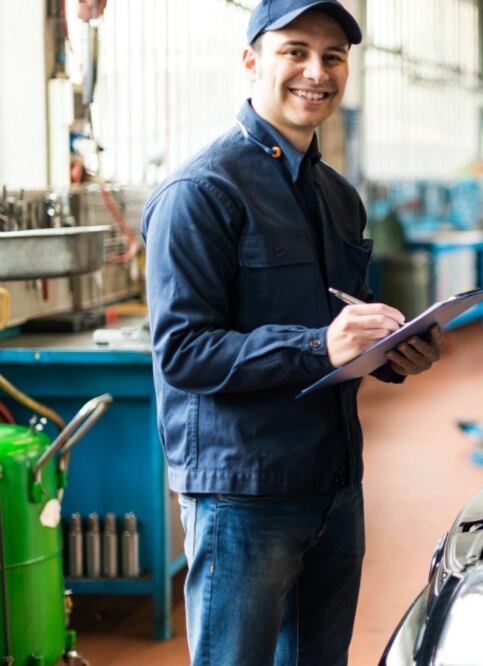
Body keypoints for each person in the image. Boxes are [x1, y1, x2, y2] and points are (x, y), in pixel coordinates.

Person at [140, 1, 444, 663]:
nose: (317, 71)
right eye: (295, 52)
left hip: (334, 483)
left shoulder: (337, 195)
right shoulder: (200, 193)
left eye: (333, 56)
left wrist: (396, 350)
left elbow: (349, 313)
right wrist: (316, 345)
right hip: (244, 493)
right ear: (251, 62)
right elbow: (183, 353)